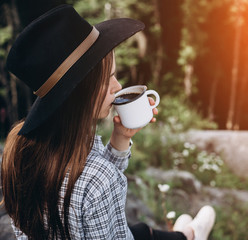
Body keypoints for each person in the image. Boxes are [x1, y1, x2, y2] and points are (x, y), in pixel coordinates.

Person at [0, 4, 215, 240]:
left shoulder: (19, 153)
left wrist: (120, 138)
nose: (118, 87)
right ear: (79, 93)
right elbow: (99, 187)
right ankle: (192, 234)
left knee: (142, 231)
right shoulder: (98, 178)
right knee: (142, 233)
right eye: (108, 79)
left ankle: (186, 234)